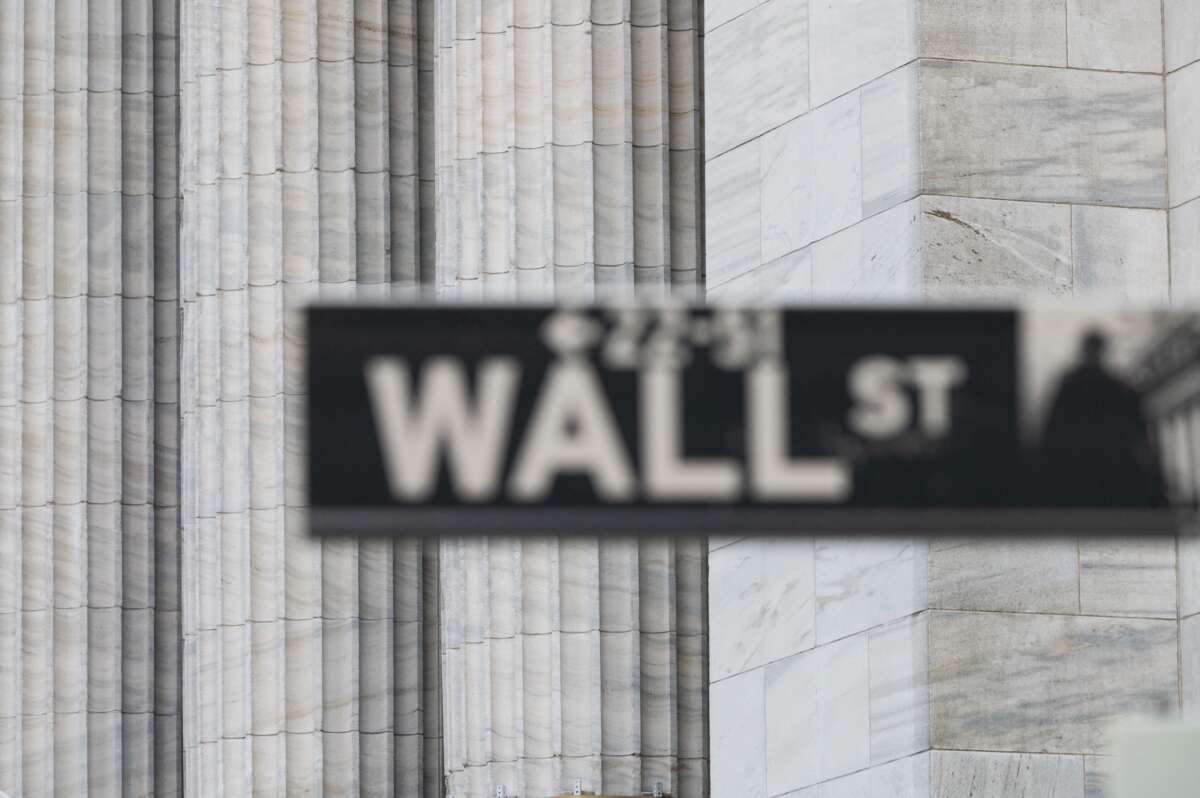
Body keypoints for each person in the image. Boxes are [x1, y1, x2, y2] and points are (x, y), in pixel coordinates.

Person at [1037, 329, 1167, 506]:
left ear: (1084, 351)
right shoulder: (1118, 388)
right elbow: (1137, 429)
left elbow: (1052, 429)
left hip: (1077, 466)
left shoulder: (1069, 385)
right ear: (1102, 351)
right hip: (1111, 466)